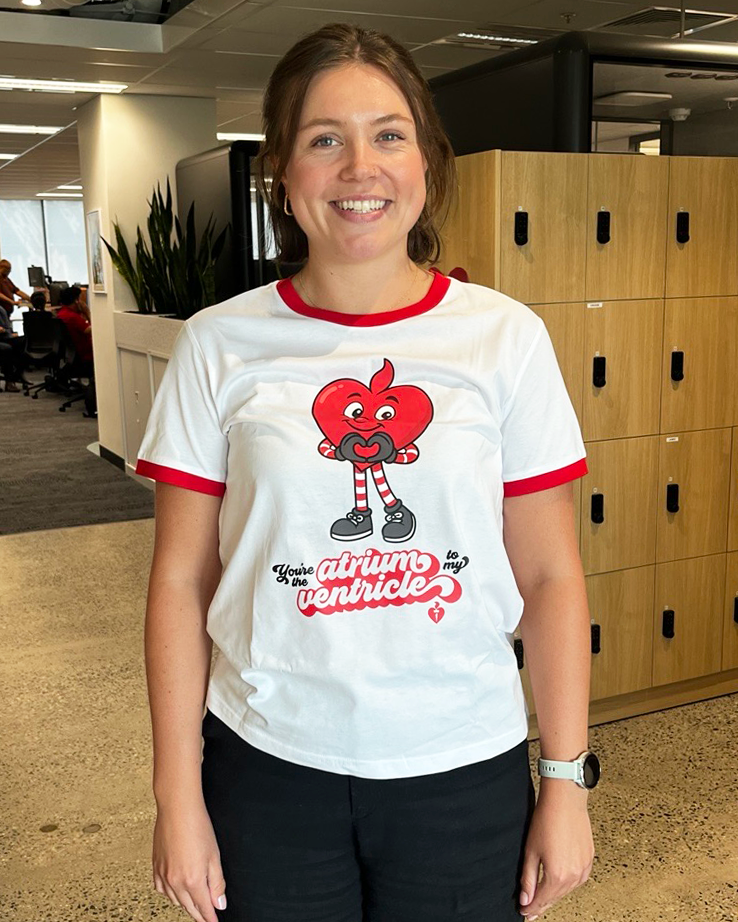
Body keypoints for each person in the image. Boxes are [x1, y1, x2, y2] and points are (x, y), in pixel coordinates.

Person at [135, 23, 596, 922]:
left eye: (388, 134)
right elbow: (180, 582)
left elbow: (550, 577)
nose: (360, 168)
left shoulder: (504, 339)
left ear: (425, 159)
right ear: (284, 170)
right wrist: (175, 796)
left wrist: (567, 781)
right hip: (267, 769)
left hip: (462, 771)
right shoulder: (218, 345)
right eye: (324, 140)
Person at [56, 286, 96, 415]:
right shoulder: (72, 317)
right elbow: (92, 329)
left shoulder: (62, 314)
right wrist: (87, 312)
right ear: (77, 301)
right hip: (86, 357)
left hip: (73, 357)